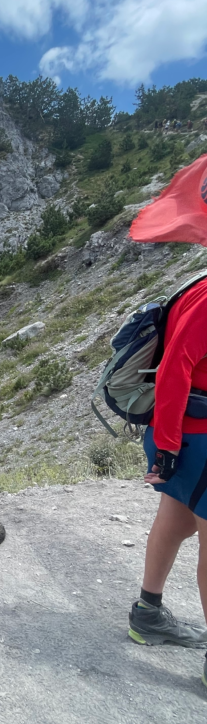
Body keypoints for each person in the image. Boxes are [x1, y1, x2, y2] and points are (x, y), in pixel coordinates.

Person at [129, 277, 207, 686]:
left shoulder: (199, 284)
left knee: (176, 521)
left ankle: (148, 614)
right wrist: (168, 447)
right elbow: (175, 365)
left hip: (187, 437)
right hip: (197, 437)